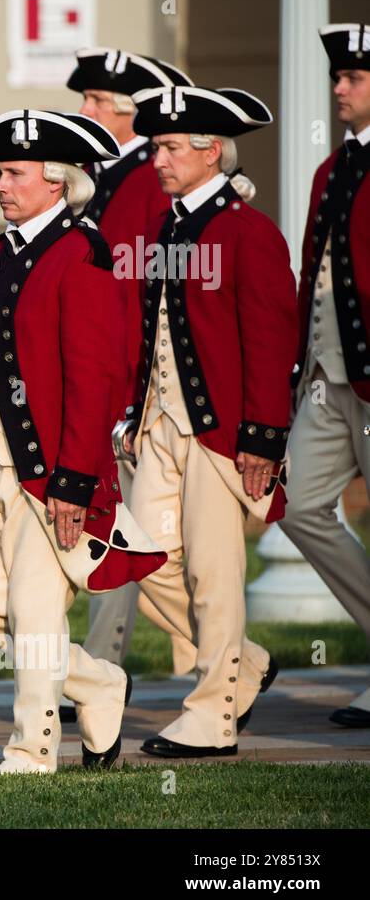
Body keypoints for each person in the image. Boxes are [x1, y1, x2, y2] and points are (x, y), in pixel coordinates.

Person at [0, 108, 166, 773]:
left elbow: (94, 379)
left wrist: (75, 480)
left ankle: (33, 746)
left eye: (12, 173)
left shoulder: (84, 254)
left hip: (47, 476)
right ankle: (100, 683)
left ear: (56, 182)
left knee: (35, 612)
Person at [120, 84, 296, 758]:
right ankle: (243, 664)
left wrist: (263, 436)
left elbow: (271, 337)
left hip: (222, 432)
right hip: (162, 427)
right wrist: (136, 412)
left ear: (210, 150)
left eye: (168, 147)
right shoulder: (168, 226)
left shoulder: (248, 231)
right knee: (140, 558)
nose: (157, 159)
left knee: (214, 577)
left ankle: (213, 716)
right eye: (156, 146)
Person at [61, 50, 198, 699]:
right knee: (115, 524)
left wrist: (133, 386)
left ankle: (223, 655)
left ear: (129, 113)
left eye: (96, 101)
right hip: (102, 372)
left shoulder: (150, 178)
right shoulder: (96, 173)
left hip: (138, 383)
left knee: (141, 534)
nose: (84, 110)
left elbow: (149, 291)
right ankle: (105, 659)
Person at [277, 22, 370, 729]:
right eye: (336, 78)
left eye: (352, 79)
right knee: (301, 505)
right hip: (325, 376)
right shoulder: (330, 171)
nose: (337, 88)